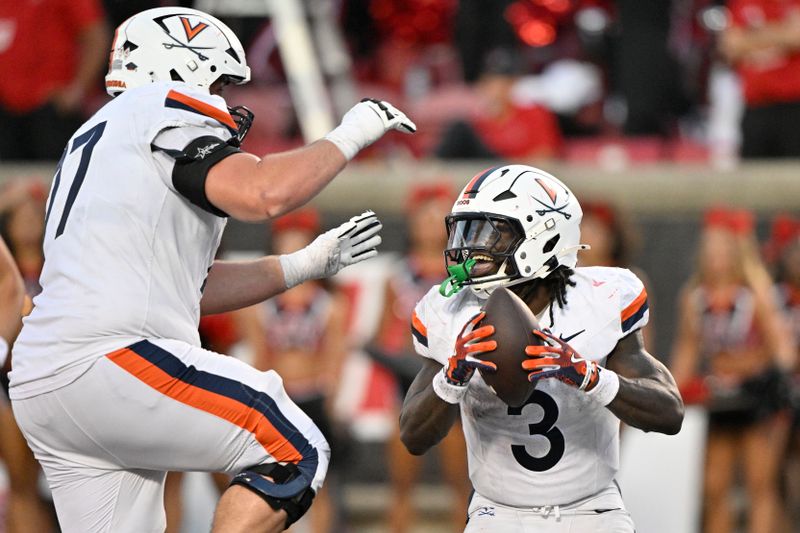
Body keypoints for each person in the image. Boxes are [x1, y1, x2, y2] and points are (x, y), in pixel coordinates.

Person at [8, 7, 414, 533]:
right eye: (219, 81)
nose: (223, 99)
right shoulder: (156, 107)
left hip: (48, 378)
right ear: (182, 67)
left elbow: (184, 287)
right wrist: (352, 133)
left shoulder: (100, 139)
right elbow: (262, 193)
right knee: (293, 444)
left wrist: (301, 265)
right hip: (109, 356)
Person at [399, 165, 684, 532]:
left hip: (592, 510)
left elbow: (669, 412)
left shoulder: (601, 298)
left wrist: (589, 377)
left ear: (543, 237)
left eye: (490, 234)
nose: (470, 249)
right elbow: (413, 436)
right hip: (497, 513)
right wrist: (451, 378)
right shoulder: (450, 311)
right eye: (467, 231)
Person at [670, 208, 795, 533]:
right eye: (710, 249)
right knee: (713, 485)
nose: (716, 257)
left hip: (755, 400)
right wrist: (673, 390)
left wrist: (755, 368)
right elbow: (686, 351)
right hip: (720, 401)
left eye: (723, 248)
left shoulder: (756, 293)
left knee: (759, 483)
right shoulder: (694, 296)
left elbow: (781, 349)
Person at [236, 208, 351, 533]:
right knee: (274, 481)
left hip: (315, 395)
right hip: (279, 397)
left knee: (321, 482)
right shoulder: (260, 303)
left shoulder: (330, 303)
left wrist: (331, 401)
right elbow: (259, 355)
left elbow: (335, 356)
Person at [366, 183, 471, 533]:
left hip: (458, 379)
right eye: (423, 216)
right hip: (410, 382)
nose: (429, 224)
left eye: (437, 216)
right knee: (399, 483)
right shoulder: (398, 275)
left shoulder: (466, 273)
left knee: (463, 484)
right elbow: (384, 335)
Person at [0, 0, 109, 160]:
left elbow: (96, 36)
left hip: (51, 108)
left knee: (55, 171)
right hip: (7, 109)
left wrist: (77, 90)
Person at [720, 0, 800, 158]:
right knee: (752, 175)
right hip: (756, 105)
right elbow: (731, 46)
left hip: (794, 104)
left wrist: (752, 37)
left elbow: (796, 37)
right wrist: (782, 32)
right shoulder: (743, 3)